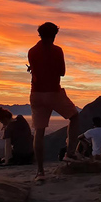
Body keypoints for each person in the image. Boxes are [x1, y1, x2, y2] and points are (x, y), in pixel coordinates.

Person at [28, 22, 79, 181]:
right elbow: (62, 72)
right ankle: (70, 153)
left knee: (39, 131)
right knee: (74, 117)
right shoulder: (57, 51)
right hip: (54, 93)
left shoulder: (32, 51)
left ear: (40, 34)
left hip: (36, 94)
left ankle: (40, 172)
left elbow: (36, 69)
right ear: (54, 35)